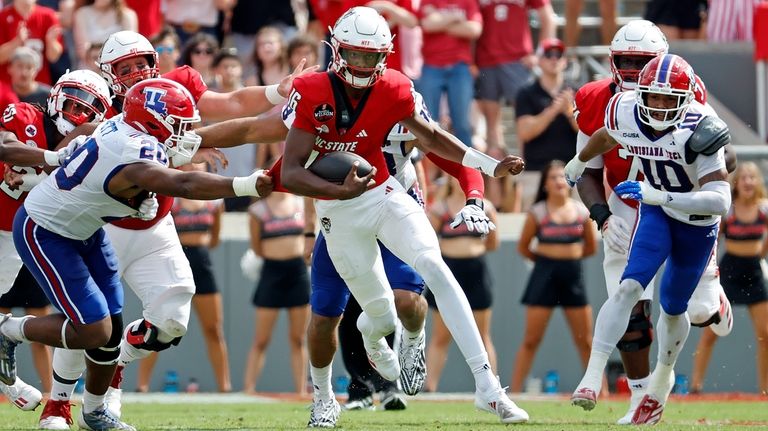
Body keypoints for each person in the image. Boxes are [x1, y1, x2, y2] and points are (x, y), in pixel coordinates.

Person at [34, 29, 312, 428]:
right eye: (124, 68)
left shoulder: (174, 85)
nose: (135, 73)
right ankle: (58, 404)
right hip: (101, 226)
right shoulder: (99, 105)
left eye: (140, 64)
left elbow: (231, 103)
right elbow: (72, 148)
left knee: (171, 319)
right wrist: (187, 151)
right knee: (86, 322)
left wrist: (276, 91)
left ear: (155, 62)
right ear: (108, 74)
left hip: (155, 225)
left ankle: (116, 364)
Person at [278, 6, 527, 427]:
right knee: (352, 315)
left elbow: (433, 139)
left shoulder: (396, 90)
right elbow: (287, 168)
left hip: (387, 192)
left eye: (370, 56)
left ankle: (488, 388)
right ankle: (326, 393)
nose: (361, 64)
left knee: (434, 269)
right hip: (338, 209)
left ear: (386, 56)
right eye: (354, 54)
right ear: (337, 52)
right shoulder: (312, 91)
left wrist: (485, 171)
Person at [0, 77, 269, 431]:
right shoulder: (133, 149)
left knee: (110, 331)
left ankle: (94, 411)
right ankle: (9, 330)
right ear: (154, 122)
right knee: (93, 330)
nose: (185, 132)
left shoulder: (121, 127)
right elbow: (183, 183)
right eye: (180, 124)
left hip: (86, 230)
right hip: (48, 232)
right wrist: (246, 184)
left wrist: (135, 200)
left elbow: (95, 179)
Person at [572, 19, 734, 424]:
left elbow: (722, 180)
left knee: (690, 310)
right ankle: (616, 389)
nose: (630, 70)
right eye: (624, 60)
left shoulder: (693, 108)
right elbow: (603, 142)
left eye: (639, 61)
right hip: (636, 200)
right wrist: (602, 213)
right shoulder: (616, 105)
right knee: (628, 297)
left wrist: (666, 191)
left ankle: (709, 288)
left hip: (686, 209)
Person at [0, 69, 110, 415]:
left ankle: (8, 376)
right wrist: (53, 158)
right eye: (74, 105)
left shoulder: (93, 143)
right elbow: (5, 147)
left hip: (12, 236)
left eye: (87, 111)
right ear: (56, 97)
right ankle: (10, 381)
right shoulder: (25, 115)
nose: (77, 115)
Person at [135, 163, 230, 393]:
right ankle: (142, 385)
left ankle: (225, 387)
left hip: (202, 263)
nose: (194, 165)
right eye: (190, 162)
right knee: (158, 323)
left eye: (199, 163)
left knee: (214, 328)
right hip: (174, 261)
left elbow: (215, 237)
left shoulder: (215, 200)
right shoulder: (173, 195)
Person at [511, 160, 597, 392]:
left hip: (573, 276)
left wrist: (569, 257)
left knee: (586, 340)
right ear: (545, 184)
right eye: (553, 177)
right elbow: (523, 247)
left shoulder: (581, 212)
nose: (559, 181)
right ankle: (516, 392)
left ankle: (599, 390)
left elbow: (590, 247)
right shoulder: (537, 212)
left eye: (562, 177)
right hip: (544, 276)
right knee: (531, 340)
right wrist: (546, 261)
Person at [691, 162, 768, 395]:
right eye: (743, 177)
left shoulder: (764, 209)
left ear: (758, 183)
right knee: (710, 332)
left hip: (754, 270)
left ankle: (764, 390)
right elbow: (713, 239)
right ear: (737, 183)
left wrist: (759, 256)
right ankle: (696, 387)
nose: (747, 182)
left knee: (765, 333)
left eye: (752, 177)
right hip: (729, 270)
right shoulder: (729, 210)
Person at [424, 175, 500, 392]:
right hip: (448, 271)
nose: (460, 179)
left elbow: (494, 242)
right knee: (441, 335)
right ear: (448, 179)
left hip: (476, 271)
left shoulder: (485, 207)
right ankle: (430, 387)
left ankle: (491, 387)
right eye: (456, 175)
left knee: (483, 333)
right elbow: (428, 241)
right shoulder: (440, 208)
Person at [243, 191, 310, 395]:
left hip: (297, 272)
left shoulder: (301, 203)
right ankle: (248, 390)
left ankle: (301, 391)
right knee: (261, 339)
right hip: (271, 272)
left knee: (298, 338)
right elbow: (256, 246)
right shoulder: (257, 209)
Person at [515, 38, 578, 211]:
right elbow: (525, 132)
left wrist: (570, 113)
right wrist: (553, 110)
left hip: (572, 172)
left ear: (565, 61)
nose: (554, 59)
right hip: (535, 173)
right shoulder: (526, 93)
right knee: (531, 224)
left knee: (578, 224)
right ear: (539, 60)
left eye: (558, 55)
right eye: (549, 54)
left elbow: (588, 133)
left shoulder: (578, 92)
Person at [0, 0, 64, 86]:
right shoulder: (2, 17)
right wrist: (16, 42)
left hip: (38, 85)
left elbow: (53, 57)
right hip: (8, 86)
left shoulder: (48, 16)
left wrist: (51, 42)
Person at [73, 0, 138, 69]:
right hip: (90, 69)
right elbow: (82, 50)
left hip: (119, 68)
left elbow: (131, 47)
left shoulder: (127, 15)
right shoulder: (81, 13)